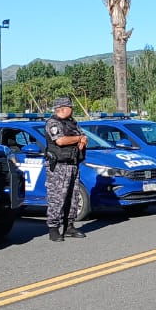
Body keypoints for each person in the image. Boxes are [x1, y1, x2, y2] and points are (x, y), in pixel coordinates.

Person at [45, 97, 87, 241]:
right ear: (62, 108)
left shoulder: (72, 122)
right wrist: (79, 138)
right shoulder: (53, 123)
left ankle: (69, 226)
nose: (72, 109)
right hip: (59, 166)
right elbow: (60, 141)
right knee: (57, 198)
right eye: (70, 107)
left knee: (72, 197)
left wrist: (82, 141)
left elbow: (83, 139)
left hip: (73, 163)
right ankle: (53, 229)